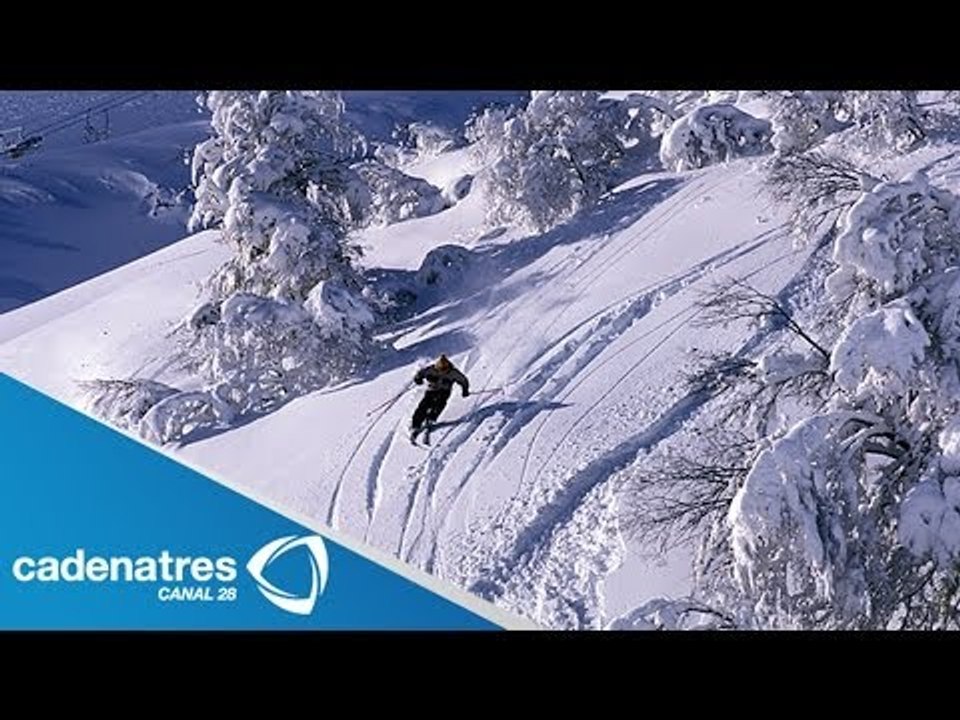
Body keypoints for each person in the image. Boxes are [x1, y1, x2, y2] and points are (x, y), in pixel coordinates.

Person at [410, 354, 469, 441]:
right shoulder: (431, 369)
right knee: (424, 405)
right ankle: (416, 424)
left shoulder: (453, 373)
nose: (442, 372)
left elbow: (463, 380)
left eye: (445, 370)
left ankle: (431, 418)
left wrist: (465, 390)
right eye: (440, 370)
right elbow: (420, 374)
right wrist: (418, 379)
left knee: (440, 403)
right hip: (432, 390)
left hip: (444, 391)